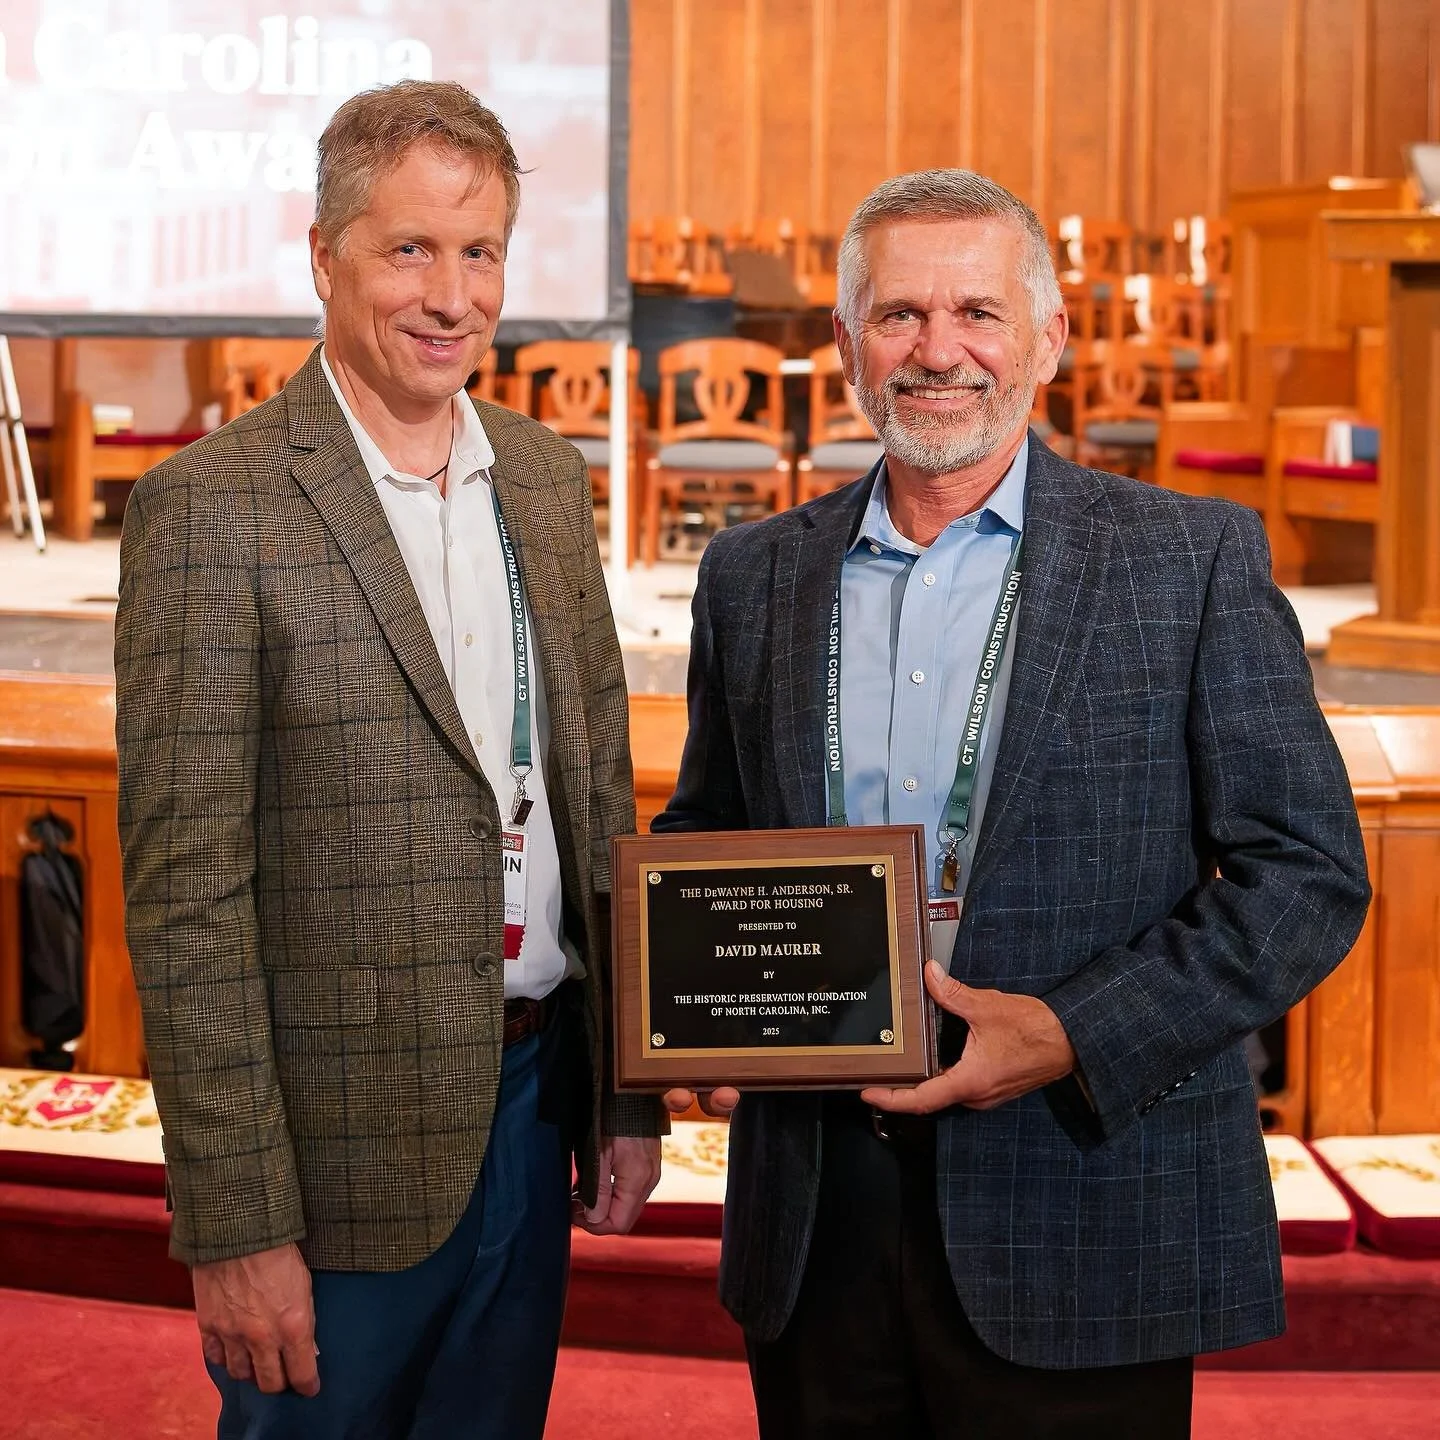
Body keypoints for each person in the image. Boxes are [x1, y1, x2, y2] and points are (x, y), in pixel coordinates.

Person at [655, 169, 1369, 1439]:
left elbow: (1307, 874)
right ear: (844, 344)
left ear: (1048, 336)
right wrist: (696, 1017)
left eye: (979, 311)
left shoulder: (1188, 560)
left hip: (1083, 1198)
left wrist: (1071, 1031)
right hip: (819, 1217)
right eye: (898, 317)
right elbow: (710, 832)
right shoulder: (754, 575)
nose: (939, 353)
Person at [115, 80, 664, 1439]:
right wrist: (235, 1221)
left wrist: (625, 1094)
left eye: (479, 252)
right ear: (325, 256)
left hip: (535, 1117)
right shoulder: (214, 508)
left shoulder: (546, 478)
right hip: (332, 1158)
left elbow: (593, 794)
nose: (450, 294)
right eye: (409, 249)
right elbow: (187, 903)